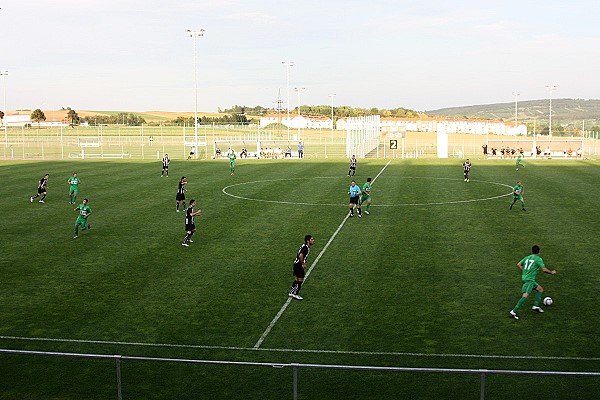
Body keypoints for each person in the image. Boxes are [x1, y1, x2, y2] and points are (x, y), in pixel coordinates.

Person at [510, 245, 556, 319]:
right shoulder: (538, 259)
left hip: (526, 278)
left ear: (532, 251)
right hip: (529, 280)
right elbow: (544, 269)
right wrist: (551, 272)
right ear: (539, 252)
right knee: (526, 295)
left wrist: (525, 271)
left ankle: (536, 306)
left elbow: (518, 264)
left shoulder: (527, 257)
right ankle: (514, 311)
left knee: (540, 289)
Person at [288, 235, 315, 300]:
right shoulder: (306, 248)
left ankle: (292, 292)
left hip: (296, 264)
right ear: (308, 241)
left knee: (297, 279)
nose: (313, 240)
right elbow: (300, 256)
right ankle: (295, 294)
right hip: (299, 265)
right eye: (312, 239)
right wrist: (303, 263)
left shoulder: (304, 246)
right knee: (300, 280)